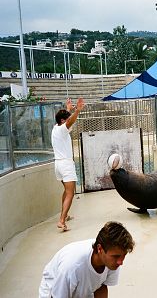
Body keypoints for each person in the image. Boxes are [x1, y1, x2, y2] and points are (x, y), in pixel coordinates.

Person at [39, 221, 135, 298]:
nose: (121, 262)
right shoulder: (72, 266)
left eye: (124, 255)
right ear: (100, 249)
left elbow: (101, 286)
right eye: (116, 256)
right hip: (53, 290)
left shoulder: (113, 259)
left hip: (83, 287)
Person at [51, 97, 85, 231]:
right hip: (65, 165)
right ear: (63, 121)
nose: (69, 121)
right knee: (71, 193)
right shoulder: (62, 129)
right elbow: (70, 121)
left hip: (58, 165)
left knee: (66, 191)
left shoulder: (55, 128)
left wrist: (68, 109)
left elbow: (66, 120)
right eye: (67, 118)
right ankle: (61, 220)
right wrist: (77, 111)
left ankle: (65, 215)